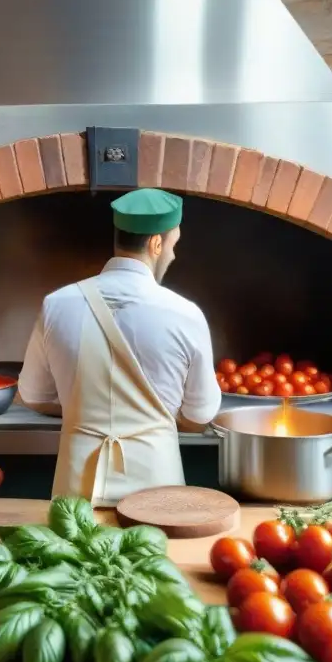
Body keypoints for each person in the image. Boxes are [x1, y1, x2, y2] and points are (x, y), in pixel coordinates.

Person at [17, 187, 221, 507]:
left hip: (77, 492)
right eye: (173, 244)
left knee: (72, 556)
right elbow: (200, 416)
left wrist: (81, 406)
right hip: (158, 490)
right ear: (156, 243)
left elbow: (33, 397)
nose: (173, 254)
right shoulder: (186, 315)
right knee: (151, 557)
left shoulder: (56, 304)